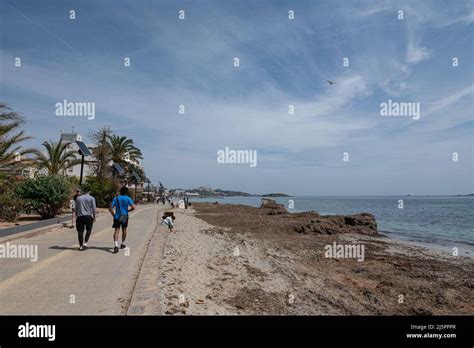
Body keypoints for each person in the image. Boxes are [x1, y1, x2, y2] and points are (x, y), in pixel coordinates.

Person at [109, 186, 136, 254]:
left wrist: (113, 214)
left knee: (116, 231)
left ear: (120, 191)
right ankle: (122, 244)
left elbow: (110, 208)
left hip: (117, 216)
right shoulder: (128, 198)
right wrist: (127, 211)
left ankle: (115, 246)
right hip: (124, 216)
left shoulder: (116, 198)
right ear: (127, 192)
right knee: (124, 230)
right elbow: (133, 207)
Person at [75, 187, 96, 251]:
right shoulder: (92, 198)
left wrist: (76, 216)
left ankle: (81, 246)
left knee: (80, 231)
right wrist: (94, 217)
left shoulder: (78, 198)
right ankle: (85, 243)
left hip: (80, 216)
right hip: (88, 216)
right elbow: (94, 208)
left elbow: (76, 209)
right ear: (89, 191)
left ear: (84, 191)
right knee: (89, 230)